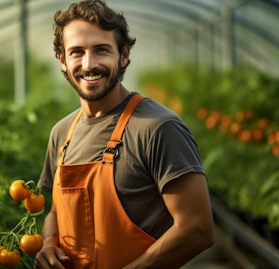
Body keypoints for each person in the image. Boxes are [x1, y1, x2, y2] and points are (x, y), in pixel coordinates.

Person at [34, 1, 214, 268]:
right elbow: (56, 211)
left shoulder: (157, 127)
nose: (89, 64)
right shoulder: (62, 133)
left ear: (124, 54)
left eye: (101, 50)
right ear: (62, 60)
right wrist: (48, 242)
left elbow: (197, 229)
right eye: (76, 52)